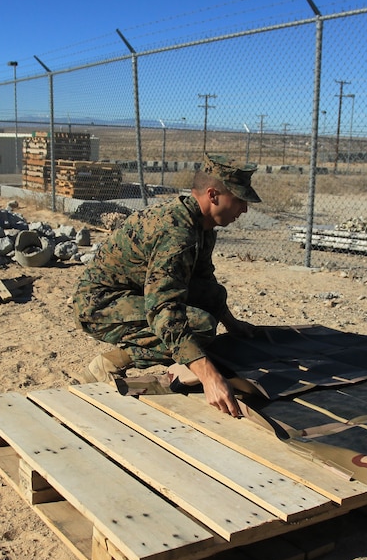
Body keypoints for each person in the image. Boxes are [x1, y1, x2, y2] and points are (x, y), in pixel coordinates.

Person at [73, 154, 261, 417]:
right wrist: (209, 377)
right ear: (213, 195)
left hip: (136, 292)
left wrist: (232, 323)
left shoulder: (201, 226)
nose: (244, 209)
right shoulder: (177, 233)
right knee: (200, 326)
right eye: (240, 200)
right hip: (100, 305)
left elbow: (205, 284)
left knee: (210, 301)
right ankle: (108, 364)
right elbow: (163, 310)